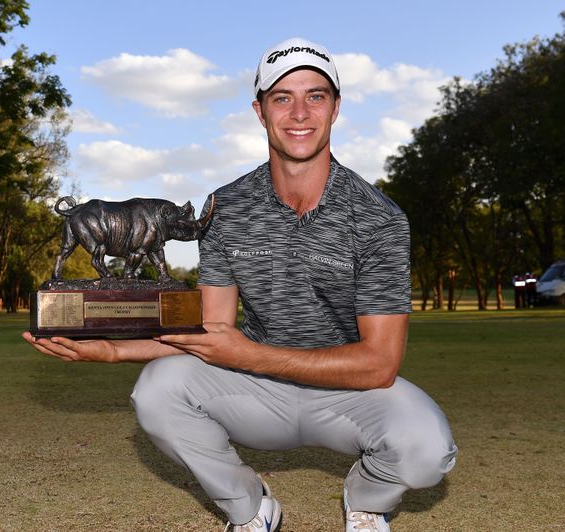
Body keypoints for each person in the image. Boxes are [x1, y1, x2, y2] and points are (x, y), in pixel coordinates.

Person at [23, 37, 457, 532]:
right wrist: (115, 351)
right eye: (282, 97)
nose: (299, 113)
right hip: (257, 395)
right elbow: (211, 327)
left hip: (348, 393)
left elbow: (380, 363)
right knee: (158, 392)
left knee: (427, 447)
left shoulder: (379, 219)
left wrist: (248, 354)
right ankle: (251, 510)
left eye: (315, 96)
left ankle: (365, 501)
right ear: (259, 110)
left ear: (336, 108)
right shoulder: (226, 207)